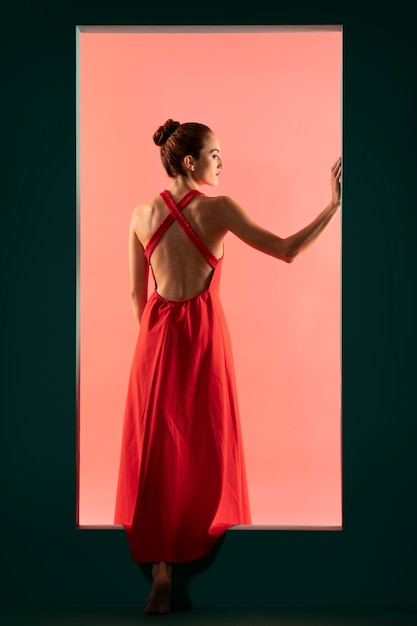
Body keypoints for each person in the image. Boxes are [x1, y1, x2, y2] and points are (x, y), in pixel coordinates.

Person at [114, 119, 342, 614]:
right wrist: (334, 206)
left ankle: (159, 571)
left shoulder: (139, 213)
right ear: (191, 162)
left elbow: (138, 294)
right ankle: (198, 542)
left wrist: (155, 345)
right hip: (204, 340)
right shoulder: (219, 211)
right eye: (216, 155)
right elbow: (286, 250)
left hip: (154, 343)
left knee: (156, 449)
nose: (223, 163)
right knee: (203, 440)